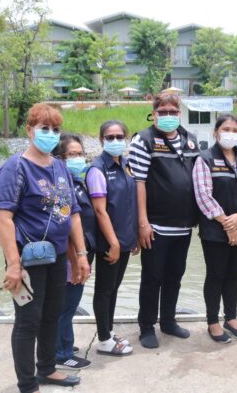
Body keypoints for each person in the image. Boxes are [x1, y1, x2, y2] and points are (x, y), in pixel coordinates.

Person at [0, 103, 90, 393]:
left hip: (58, 256)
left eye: (55, 129)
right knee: (28, 320)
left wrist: (81, 255)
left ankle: (47, 369)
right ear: (29, 130)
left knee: (52, 314)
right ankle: (27, 384)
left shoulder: (60, 166)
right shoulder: (15, 168)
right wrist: (13, 265)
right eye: (44, 128)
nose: (50, 134)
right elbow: (3, 217)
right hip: (28, 258)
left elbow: (72, 213)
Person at [128, 93, 200, 349]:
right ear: (154, 113)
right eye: (163, 111)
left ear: (179, 114)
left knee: (175, 276)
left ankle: (168, 321)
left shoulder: (190, 140)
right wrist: (142, 223)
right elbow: (138, 182)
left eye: (173, 111)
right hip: (155, 226)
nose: (168, 115)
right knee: (152, 277)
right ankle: (147, 327)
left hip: (183, 226)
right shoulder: (143, 140)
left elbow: (198, 178)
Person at [193, 113, 237, 344]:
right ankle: (213, 321)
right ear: (216, 132)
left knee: (233, 274)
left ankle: (231, 318)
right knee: (216, 275)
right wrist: (227, 224)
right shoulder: (205, 159)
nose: (230, 134)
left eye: (234, 130)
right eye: (225, 129)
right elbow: (203, 195)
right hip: (214, 230)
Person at [86, 120, 138, 356]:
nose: (115, 141)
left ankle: (107, 330)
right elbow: (100, 210)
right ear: (101, 140)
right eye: (110, 137)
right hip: (109, 242)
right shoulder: (98, 170)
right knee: (104, 289)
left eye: (119, 136)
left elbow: (129, 203)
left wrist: (132, 237)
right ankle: (104, 340)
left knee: (114, 288)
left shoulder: (126, 165)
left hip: (125, 239)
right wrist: (114, 243)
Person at [53, 134, 97, 370]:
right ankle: (62, 354)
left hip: (79, 254)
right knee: (65, 307)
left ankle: (61, 345)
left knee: (66, 306)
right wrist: (77, 258)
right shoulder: (59, 185)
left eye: (81, 154)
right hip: (69, 257)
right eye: (72, 154)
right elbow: (65, 224)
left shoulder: (76, 182)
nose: (78, 158)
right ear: (59, 158)